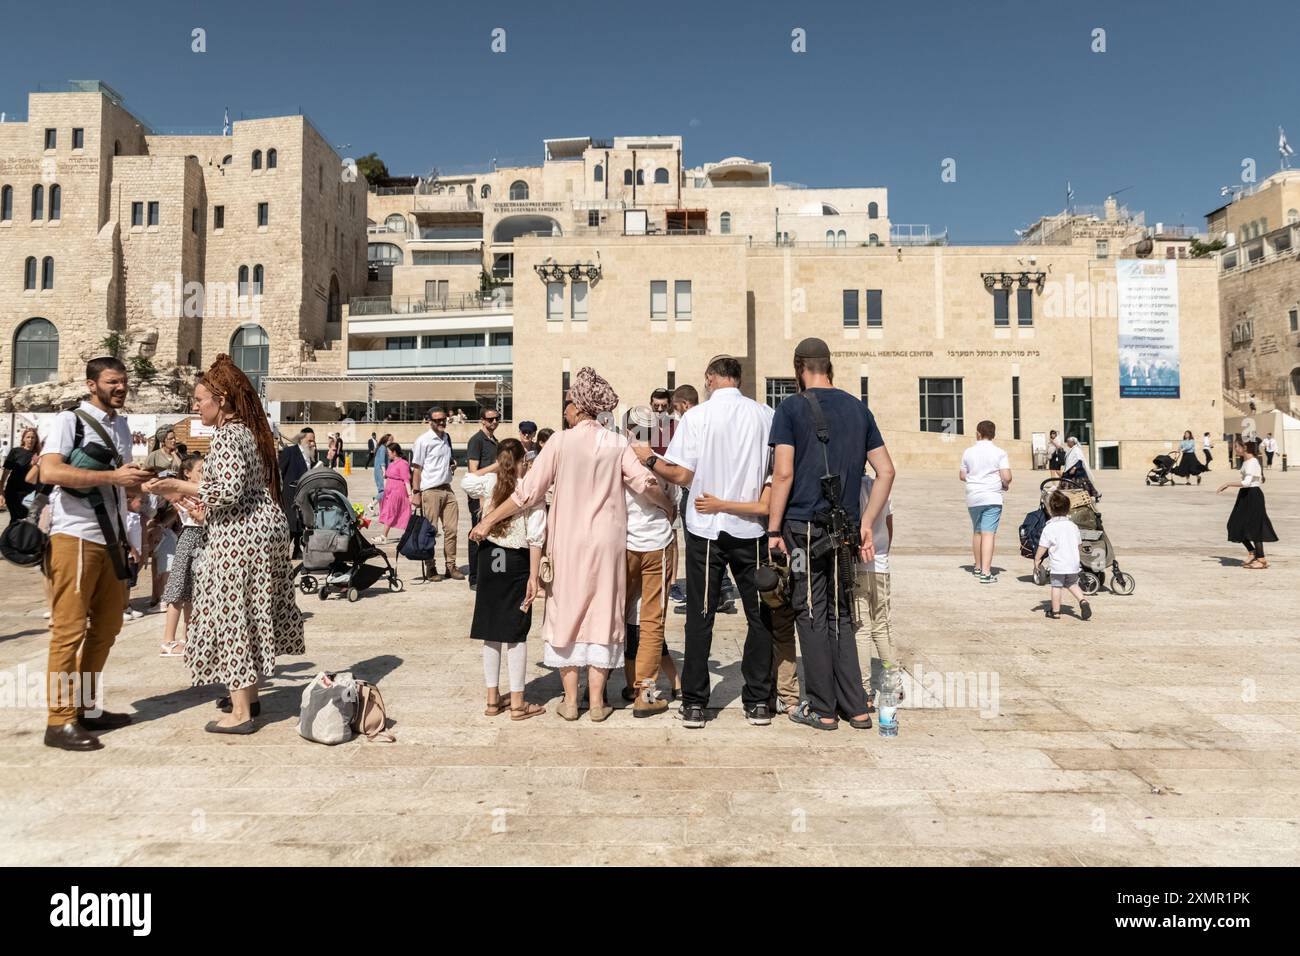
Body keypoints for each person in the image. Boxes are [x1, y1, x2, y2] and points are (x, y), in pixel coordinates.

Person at [473, 368, 671, 722]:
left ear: (579, 407)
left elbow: (527, 493)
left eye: (567, 402)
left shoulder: (559, 443)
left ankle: (569, 701)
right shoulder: (616, 443)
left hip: (567, 539)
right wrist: (669, 507)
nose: (564, 408)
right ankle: (597, 702)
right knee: (603, 611)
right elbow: (646, 483)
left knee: (566, 609)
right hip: (608, 542)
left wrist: (489, 519)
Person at [144, 355, 305, 733]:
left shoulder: (231, 435)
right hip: (252, 533)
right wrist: (197, 508)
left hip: (242, 542)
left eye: (200, 399)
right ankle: (248, 697)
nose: (196, 406)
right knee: (247, 615)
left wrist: (177, 485)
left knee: (233, 616)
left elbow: (227, 490)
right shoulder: (242, 433)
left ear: (223, 399)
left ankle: (240, 714)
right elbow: (238, 494)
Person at [634, 355, 777, 729]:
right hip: (751, 527)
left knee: (700, 614)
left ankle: (696, 702)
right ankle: (759, 699)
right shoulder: (765, 414)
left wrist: (649, 459)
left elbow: (682, 473)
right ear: (739, 379)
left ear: (712, 379)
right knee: (758, 614)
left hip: (707, 527)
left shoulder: (696, 417)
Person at [766, 339, 894, 732]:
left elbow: (783, 473)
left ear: (798, 367)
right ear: (829, 367)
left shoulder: (789, 409)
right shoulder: (859, 408)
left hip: (803, 530)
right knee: (840, 611)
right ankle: (855, 707)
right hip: (845, 532)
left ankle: (822, 707)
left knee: (809, 608)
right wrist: (867, 522)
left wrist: (773, 530)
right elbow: (886, 470)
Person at [39, 357, 152, 751]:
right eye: (112, 382)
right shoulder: (69, 421)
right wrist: (112, 477)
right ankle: (59, 719)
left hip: (110, 538)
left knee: (107, 627)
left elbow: (119, 486)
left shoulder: (120, 425)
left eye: (123, 381)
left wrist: (134, 489)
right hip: (73, 536)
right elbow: (50, 472)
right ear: (92, 385)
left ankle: (85, 707)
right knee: (68, 631)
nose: (120, 387)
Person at [693, 477, 801, 714]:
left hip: (753, 535)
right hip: (763, 536)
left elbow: (765, 504)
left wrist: (720, 505)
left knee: (704, 616)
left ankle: (695, 703)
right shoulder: (770, 444)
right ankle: (765, 698)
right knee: (766, 618)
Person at [464, 438, 547, 721]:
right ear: (524, 460)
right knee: (516, 631)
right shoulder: (529, 490)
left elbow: (467, 481)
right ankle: (517, 701)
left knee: (491, 629)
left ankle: (491, 698)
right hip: (515, 561)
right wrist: (534, 577)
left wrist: (496, 468)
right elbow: (536, 537)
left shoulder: (489, 484)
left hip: (488, 557)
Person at [621, 405, 680, 717]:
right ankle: (645, 690)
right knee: (652, 618)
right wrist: (668, 506)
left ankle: (620, 682)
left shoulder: (615, 453)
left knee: (623, 614)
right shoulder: (660, 460)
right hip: (655, 542)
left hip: (622, 542)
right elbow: (660, 490)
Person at [159, 454, 206, 657]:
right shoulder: (184, 495)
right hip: (190, 538)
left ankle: (188, 637)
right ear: (187, 474)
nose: (205, 474)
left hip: (201, 539)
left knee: (192, 593)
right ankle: (168, 640)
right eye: (200, 470)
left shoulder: (199, 493)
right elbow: (200, 516)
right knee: (178, 589)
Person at [856, 465, 895, 699]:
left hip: (858, 565)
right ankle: (892, 682)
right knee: (883, 625)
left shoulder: (849, 490)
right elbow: (889, 527)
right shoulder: (882, 488)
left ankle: (864, 687)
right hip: (880, 564)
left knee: (861, 628)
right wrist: (882, 554)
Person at [410, 409, 461, 580]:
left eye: (443, 419)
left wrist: (452, 465)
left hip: (447, 488)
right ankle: (430, 567)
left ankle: (451, 566)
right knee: (430, 531)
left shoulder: (447, 438)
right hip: (430, 490)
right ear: (429, 421)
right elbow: (416, 469)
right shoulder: (423, 441)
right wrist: (416, 493)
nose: (441, 422)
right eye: (437, 420)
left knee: (452, 530)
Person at [960, 420, 1012, 583]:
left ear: (978, 433)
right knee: (988, 533)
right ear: (993, 435)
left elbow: (962, 475)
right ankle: (986, 572)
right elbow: (1007, 476)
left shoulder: (968, 452)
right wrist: (1004, 484)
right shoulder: (1000, 452)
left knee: (977, 531)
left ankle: (977, 567)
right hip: (992, 496)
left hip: (973, 496)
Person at [1219, 438, 1277, 570]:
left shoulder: (1252, 462)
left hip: (1253, 495)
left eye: (1236, 447)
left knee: (1255, 527)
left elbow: (1247, 482)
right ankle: (1252, 552)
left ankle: (1261, 560)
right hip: (1245, 495)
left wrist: (1227, 484)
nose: (1234, 449)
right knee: (1234, 524)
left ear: (1244, 447)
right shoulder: (1247, 461)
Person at [1034, 490, 1091, 620]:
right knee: (1072, 583)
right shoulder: (1073, 526)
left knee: (1056, 586)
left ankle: (1055, 612)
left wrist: (1037, 560)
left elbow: (1043, 546)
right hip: (1073, 563)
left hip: (1058, 565)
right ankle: (1083, 600)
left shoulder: (1049, 528)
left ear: (1050, 510)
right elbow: (1078, 545)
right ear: (1068, 509)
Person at [464, 408, 501, 590]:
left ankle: (489, 574)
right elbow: (473, 473)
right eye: (490, 419)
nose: (494, 422)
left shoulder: (494, 441)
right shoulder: (476, 441)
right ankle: (474, 578)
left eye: (497, 419)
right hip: (479, 496)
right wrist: (479, 498)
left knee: (491, 534)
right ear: (482, 421)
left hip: (492, 495)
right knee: (476, 534)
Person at [277, 429, 316, 557]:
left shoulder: (313, 454)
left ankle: (298, 550)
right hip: (289, 495)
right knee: (291, 523)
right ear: (301, 439)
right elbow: (279, 472)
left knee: (302, 522)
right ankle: (282, 552)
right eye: (309, 441)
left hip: (305, 496)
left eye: (313, 441)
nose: (312, 444)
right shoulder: (290, 452)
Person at [374, 442, 411, 543]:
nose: (387, 454)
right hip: (390, 492)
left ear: (394, 452)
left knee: (392, 512)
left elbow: (406, 480)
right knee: (395, 513)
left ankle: (383, 536)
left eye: (389, 452)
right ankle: (410, 534)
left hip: (397, 492)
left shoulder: (403, 463)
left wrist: (410, 495)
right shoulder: (391, 463)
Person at [2, 427, 41, 523]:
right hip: (13, 491)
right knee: (16, 518)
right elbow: (6, 471)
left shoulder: (39, 455)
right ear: (23, 439)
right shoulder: (15, 451)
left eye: (33, 437)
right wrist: (1, 489)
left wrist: (35, 465)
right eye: (28, 437)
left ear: (36, 440)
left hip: (30, 493)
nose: (30, 440)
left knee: (25, 519)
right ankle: (10, 536)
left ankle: (13, 536)